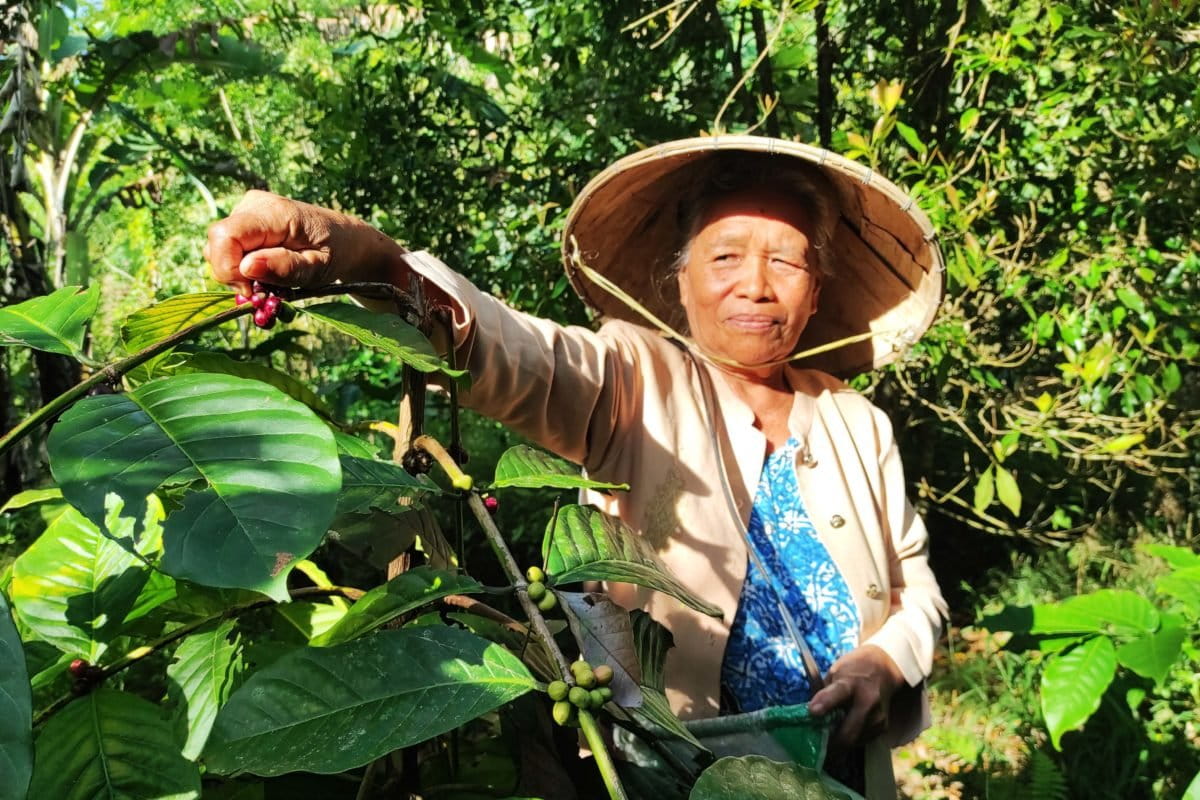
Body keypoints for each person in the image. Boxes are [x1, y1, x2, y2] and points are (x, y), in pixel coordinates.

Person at [205, 135, 947, 798]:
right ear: (680, 282)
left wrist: (884, 663)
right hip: (679, 771)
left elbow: (918, 591)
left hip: (843, 770)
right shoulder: (634, 377)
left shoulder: (857, 420)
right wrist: (378, 264)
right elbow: (522, 356)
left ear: (816, 292)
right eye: (725, 257)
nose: (755, 284)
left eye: (786, 261)